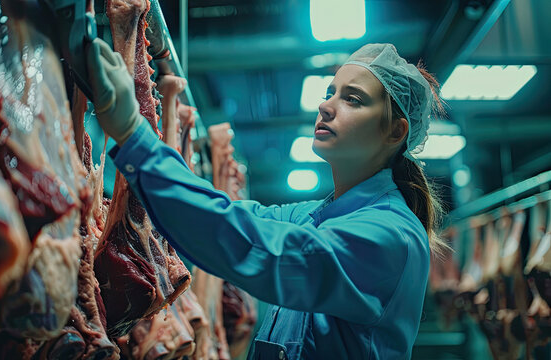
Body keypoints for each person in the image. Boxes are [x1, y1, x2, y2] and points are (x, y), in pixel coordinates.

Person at [86, 38, 449, 359]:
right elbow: (233, 217)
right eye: (330, 93)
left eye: (352, 99)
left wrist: (136, 137)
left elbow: (259, 248)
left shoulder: (389, 234)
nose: (326, 106)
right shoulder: (314, 216)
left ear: (395, 131)